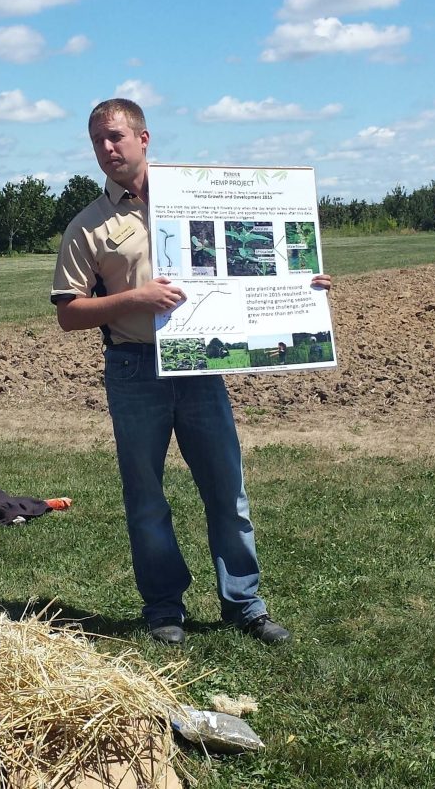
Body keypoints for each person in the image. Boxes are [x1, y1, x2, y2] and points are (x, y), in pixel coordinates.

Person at [52, 98, 332, 645]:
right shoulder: (87, 226)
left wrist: (304, 289)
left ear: (144, 138)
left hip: (202, 365)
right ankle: (162, 610)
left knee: (227, 490)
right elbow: (68, 313)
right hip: (135, 368)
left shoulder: (200, 201)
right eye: (97, 142)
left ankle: (245, 603)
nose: (107, 150)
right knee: (146, 495)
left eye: (115, 137)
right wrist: (137, 298)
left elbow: (253, 263)